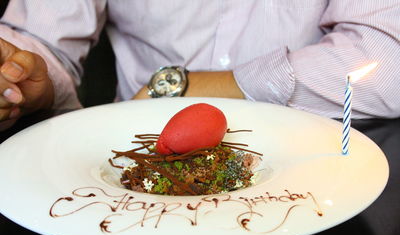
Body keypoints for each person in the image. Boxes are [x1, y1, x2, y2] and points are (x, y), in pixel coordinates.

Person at [0, 0, 399, 131]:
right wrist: (27, 77)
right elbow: (42, 40)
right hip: (133, 159)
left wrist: (187, 88)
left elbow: (389, 61)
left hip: (317, 164)